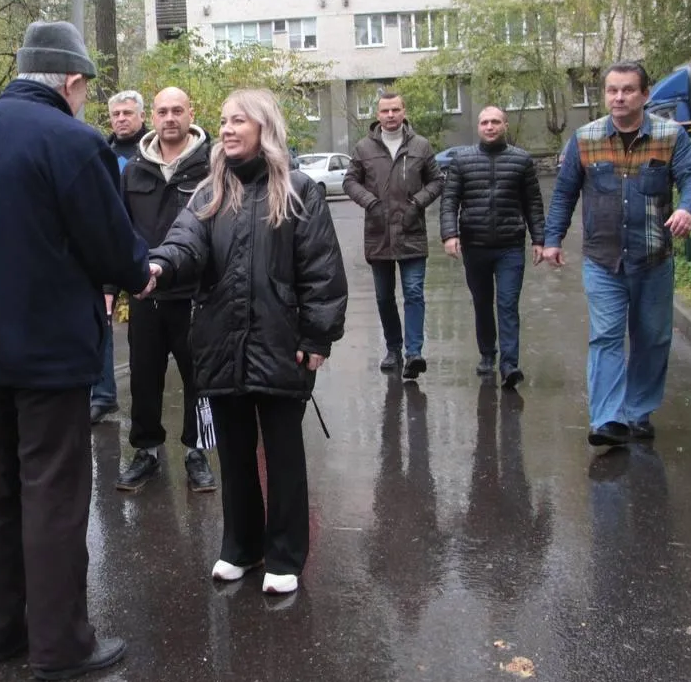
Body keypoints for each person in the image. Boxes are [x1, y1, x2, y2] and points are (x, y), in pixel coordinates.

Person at [0, 21, 154, 681]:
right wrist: (141, 273)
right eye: (85, 90)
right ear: (71, 82)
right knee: (52, 494)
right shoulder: (73, 142)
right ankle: (60, 646)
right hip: (51, 356)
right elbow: (111, 243)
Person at [147, 88, 348, 595]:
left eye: (240, 120)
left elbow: (322, 272)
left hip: (282, 344)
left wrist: (318, 335)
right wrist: (158, 266)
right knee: (233, 452)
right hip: (220, 344)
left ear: (264, 126)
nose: (229, 129)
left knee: (282, 454)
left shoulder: (298, 189)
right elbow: (184, 242)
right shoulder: (209, 192)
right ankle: (240, 546)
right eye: (224, 121)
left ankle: (285, 554)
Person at [543, 61, 691, 447]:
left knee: (652, 337)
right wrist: (553, 238)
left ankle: (638, 411)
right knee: (606, 336)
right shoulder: (585, 138)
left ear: (645, 95)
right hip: (604, 260)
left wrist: (688, 209)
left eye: (628, 90)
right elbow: (565, 192)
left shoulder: (670, 137)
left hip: (653, 259)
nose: (619, 97)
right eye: (612, 90)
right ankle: (608, 419)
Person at [114, 87, 217, 492]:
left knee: (200, 378)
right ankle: (146, 452)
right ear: (151, 118)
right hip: (146, 294)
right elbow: (119, 230)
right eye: (162, 111)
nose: (170, 117)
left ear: (191, 113)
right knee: (143, 377)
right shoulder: (134, 169)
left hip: (197, 295)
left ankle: (198, 452)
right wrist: (115, 283)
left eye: (177, 110)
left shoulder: (212, 165)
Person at [440, 106, 546, 388]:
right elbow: (449, 201)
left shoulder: (521, 160)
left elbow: (533, 203)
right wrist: (450, 234)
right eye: (485, 122)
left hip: (510, 245)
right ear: (478, 127)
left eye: (495, 122)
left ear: (505, 125)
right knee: (483, 303)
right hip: (475, 245)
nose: (490, 126)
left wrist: (539, 239)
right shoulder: (462, 161)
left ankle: (510, 364)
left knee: (508, 303)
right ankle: (487, 353)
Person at [343, 92, 443, 379]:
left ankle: (414, 353)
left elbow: (436, 181)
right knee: (384, 296)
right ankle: (393, 349)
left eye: (395, 110)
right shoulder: (364, 148)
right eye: (385, 110)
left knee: (413, 293)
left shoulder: (420, 145)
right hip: (379, 233)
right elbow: (350, 181)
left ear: (403, 111)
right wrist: (370, 202)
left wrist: (417, 203)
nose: (390, 115)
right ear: (377, 115)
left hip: (412, 230)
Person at [91, 90, 150, 424]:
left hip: (150, 249)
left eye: (128, 113)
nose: (121, 119)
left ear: (141, 115)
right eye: (116, 114)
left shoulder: (153, 149)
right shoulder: (103, 152)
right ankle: (103, 394)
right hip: (110, 248)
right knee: (103, 318)